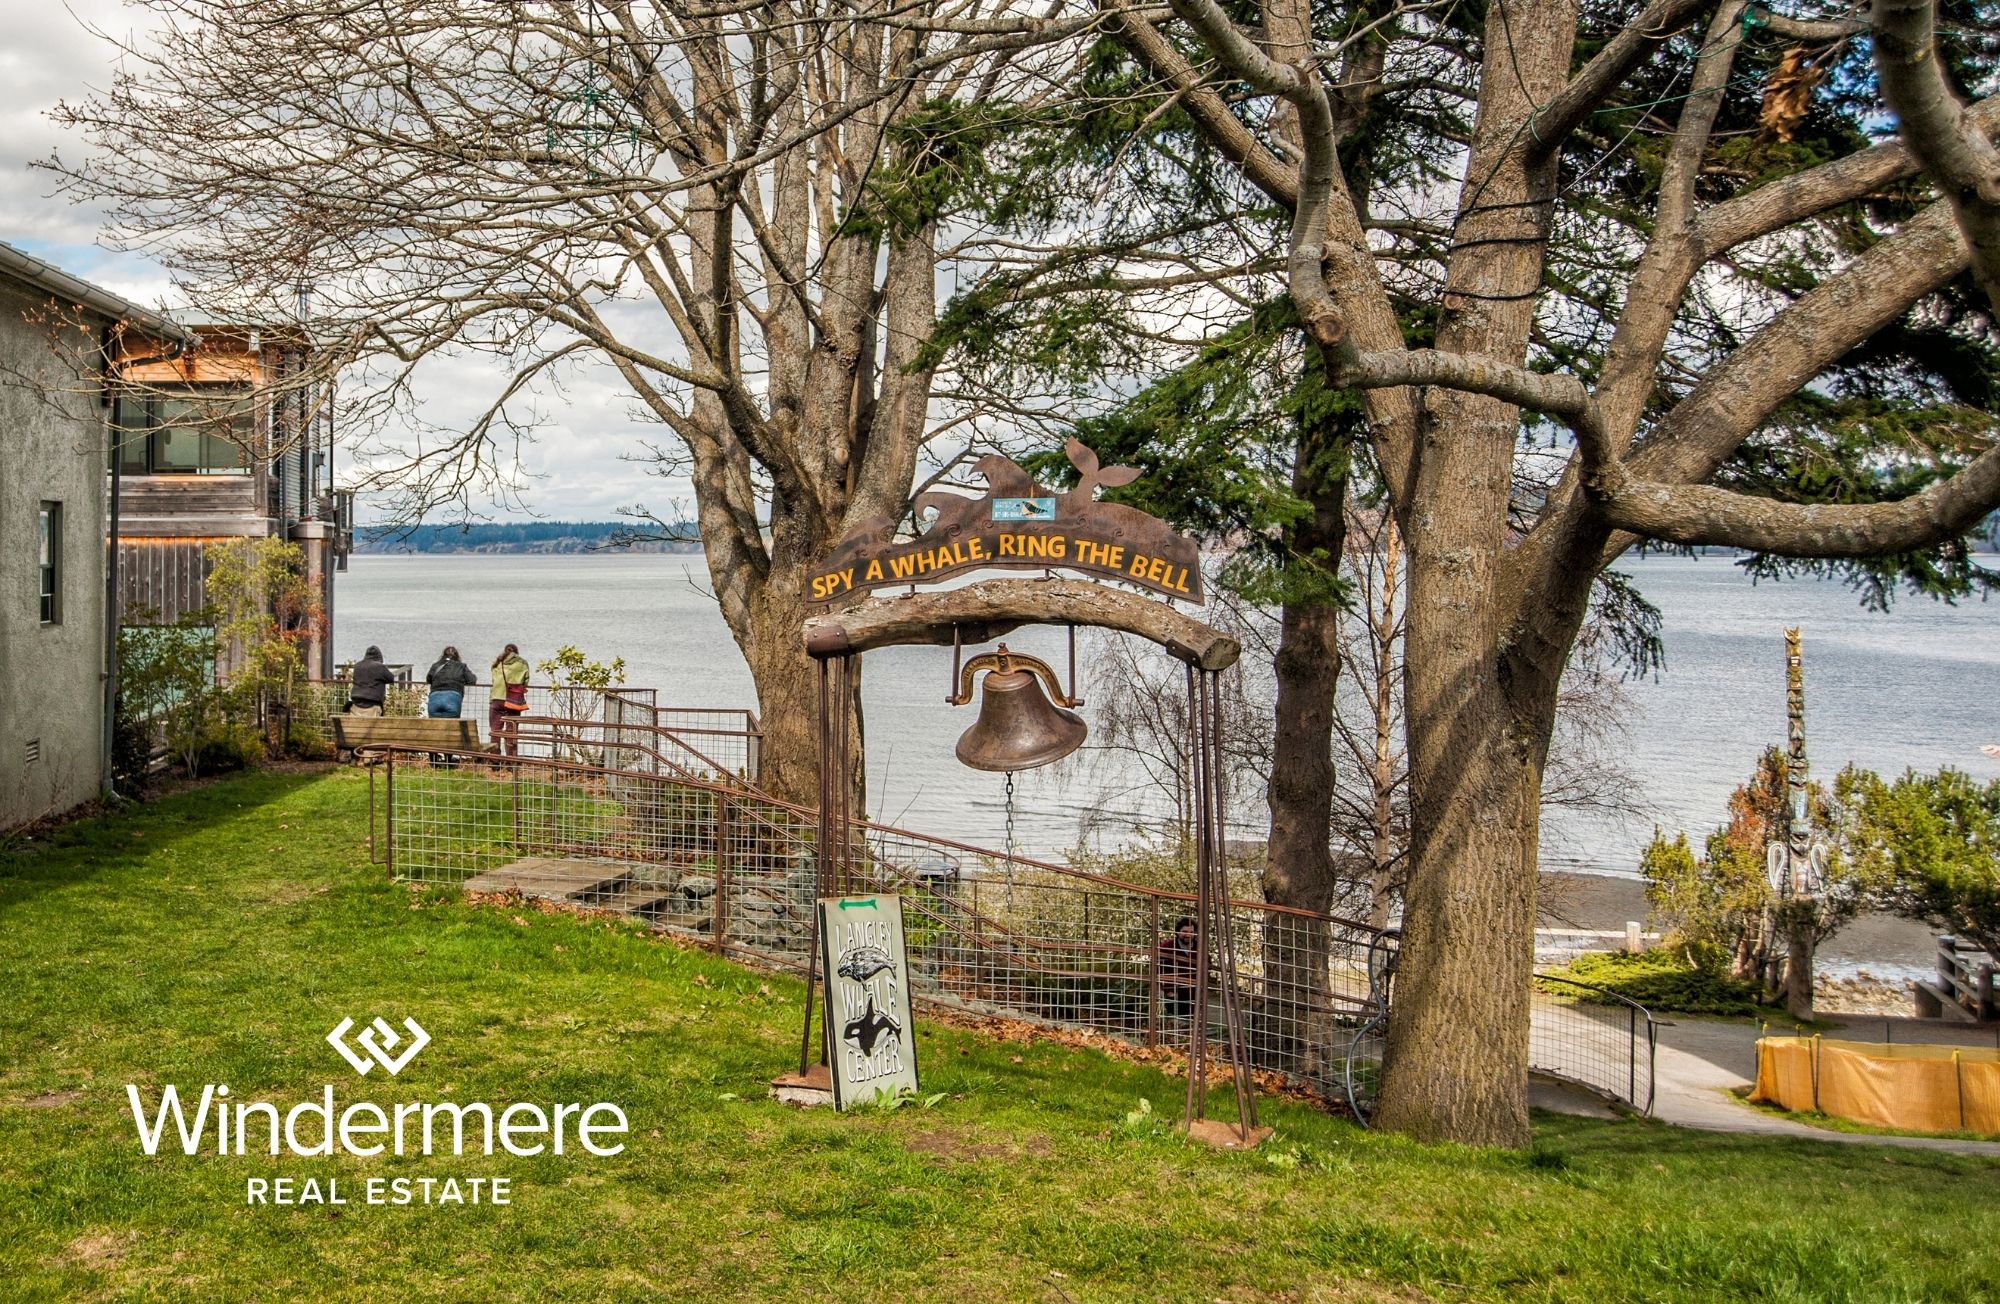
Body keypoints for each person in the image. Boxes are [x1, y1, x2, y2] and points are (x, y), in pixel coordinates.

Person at [488, 643, 530, 756]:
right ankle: (511, 761)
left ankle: (495, 761)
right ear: (517, 652)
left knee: (495, 732)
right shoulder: (522, 663)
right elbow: (525, 681)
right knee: (511, 732)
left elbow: (494, 680)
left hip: (496, 699)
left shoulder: (498, 663)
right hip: (513, 701)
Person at [1156, 916, 1198, 1025]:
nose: (1188, 934)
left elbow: (1206, 968)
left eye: (1191, 932)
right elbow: (1157, 967)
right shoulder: (1167, 947)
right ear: (1178, 932)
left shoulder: (1200, 948)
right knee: (1174, 1023)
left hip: (1193, 993)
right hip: (1173, 993)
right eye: (1184, 931)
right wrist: (1167, 990)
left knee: (1190, 1024)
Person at [424, 646, 477, 718]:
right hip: (453, 698)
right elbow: (472, 680)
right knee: (452, 727)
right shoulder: (461, 666)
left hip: (435, 698)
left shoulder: (435, 665)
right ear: (457, 656)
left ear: (443, 655)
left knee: (435, 727)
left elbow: (428, 679)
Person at [347, 646, 394, 717]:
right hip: (373, 705)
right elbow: (391, 678)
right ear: (379, 657)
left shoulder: (357, 666)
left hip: (356, 703)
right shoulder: (380, 667)